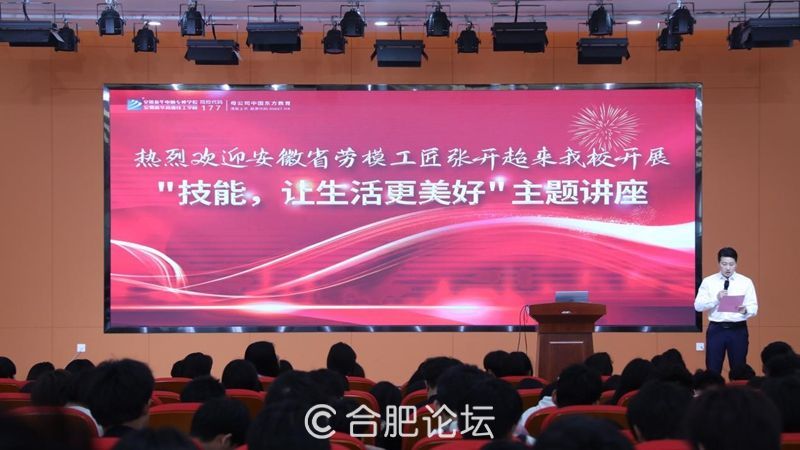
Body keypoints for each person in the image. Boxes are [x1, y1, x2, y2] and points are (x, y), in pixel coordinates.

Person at [695, 247, 758, 374]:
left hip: (738, 329)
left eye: (731, 264)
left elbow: (754, 307)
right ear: (719, 263)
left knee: (739, 368)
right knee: (712, 368)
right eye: (724, 264)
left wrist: (745, 310)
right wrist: (716, 299)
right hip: (716, 329)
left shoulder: (745, 282)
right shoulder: (709, 282)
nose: (728, 268)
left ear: (736, 264)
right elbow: (698, 306)